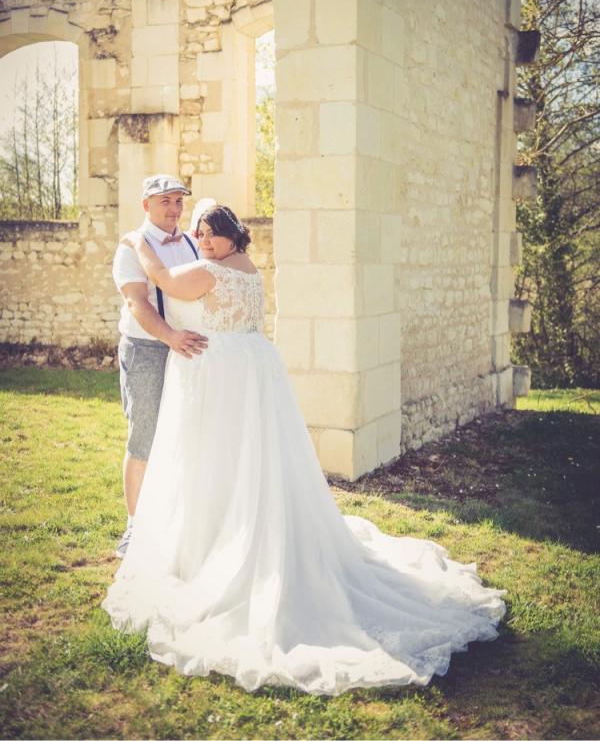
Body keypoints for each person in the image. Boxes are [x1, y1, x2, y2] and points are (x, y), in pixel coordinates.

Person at [103, 203, 506, 696]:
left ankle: (226, 545)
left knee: (221, 459)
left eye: (212, 235)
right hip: (250, 363)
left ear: (233, 237)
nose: (205, 242)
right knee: (249, 459)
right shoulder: (247, 270)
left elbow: (163, 280)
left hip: (223, 371)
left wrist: (135, 242)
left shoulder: (207, 273)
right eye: (200, 235)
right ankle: (229, 527)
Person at [111, 174, 208, 559]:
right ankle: (134, 527)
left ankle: (176, 518)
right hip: (148, 349)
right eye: (164, 200)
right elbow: (137, 303)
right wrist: (169, 336)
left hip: (186, 349)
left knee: (185, 434)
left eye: (178, 201)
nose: (173, 208)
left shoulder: (190, 243)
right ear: (146, 205)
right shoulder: (131, 247)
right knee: (145, 437)